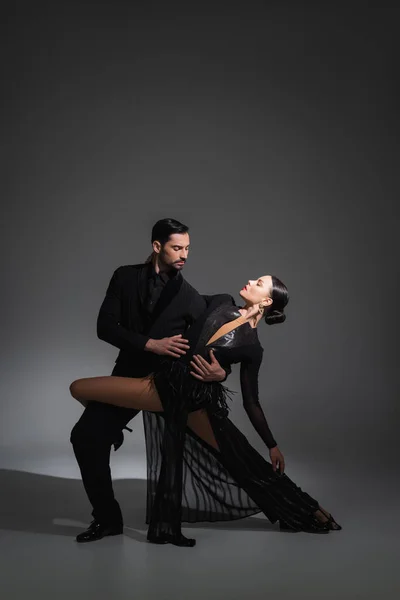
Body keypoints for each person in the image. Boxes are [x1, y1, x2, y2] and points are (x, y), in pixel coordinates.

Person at [70, 274, 342, 547]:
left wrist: (271, 444)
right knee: (79, 388)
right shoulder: (221, 301)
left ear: (267, 301)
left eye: (259, 283)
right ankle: (114, 430)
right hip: (166, 386)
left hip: (188, 399)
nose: (251, 281)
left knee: (241, 458)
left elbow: (251, 402)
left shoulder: (252, 349)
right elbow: (183, 306)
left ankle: (311, 511)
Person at [70, 218, 228, 543]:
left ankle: (289, 504)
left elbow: (217, 335)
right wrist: (150, 344)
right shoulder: (124, 277)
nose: (184, 254)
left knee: (227, 451)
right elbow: (105, 327)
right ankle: (108, 519)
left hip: (169, 384)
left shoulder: (188, 296)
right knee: (85, 436)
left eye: (187, 248)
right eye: (177, 247)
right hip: (129, 377)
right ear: (157, 247)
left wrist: (221, 371)